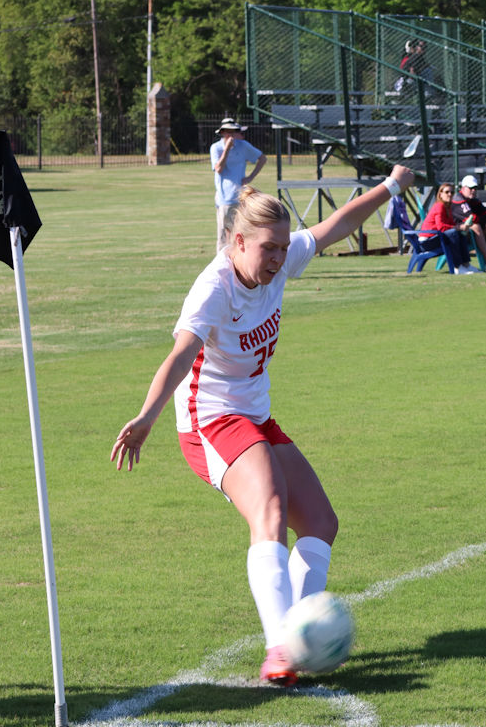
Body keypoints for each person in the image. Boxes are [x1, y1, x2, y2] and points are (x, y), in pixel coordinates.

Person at [110, 166, 415, 687]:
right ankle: (280, 648)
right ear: (238, 242)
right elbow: (182, 354)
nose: (277, 258)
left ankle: (300, 636)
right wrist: (146, 417)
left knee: (320, 522)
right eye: (267, 248)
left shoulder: (280, 261)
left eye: (282, 248)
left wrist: (389, 187)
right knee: (270, 509)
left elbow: (338, 225)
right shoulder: (214, 288)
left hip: (253, 415)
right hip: (209, 420)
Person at [211, 118, 266, 252]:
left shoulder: (243, 145)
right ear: (222, 133)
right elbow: (218, 169)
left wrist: (250, 177)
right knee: (223, 235)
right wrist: (227, 149)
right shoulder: (216, 148)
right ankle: (222, 262)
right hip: (225, 198)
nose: (231, 134)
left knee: (241, 233)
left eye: (234, 131)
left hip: (241, 196)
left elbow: (262, 158)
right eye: (227, 131)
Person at [420, 183, 479, 274]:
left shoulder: (448, 207)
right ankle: (457, 267)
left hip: (436, 237)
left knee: (459, 233)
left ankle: (466, 264)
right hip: (427, 241)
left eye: (452, 192)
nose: (450, 194)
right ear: (440, 194)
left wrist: (462, 227)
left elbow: (451, 224)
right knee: (453, 233)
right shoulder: (439, 206)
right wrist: (458, 227)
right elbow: (441, 227)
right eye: (447, 192)